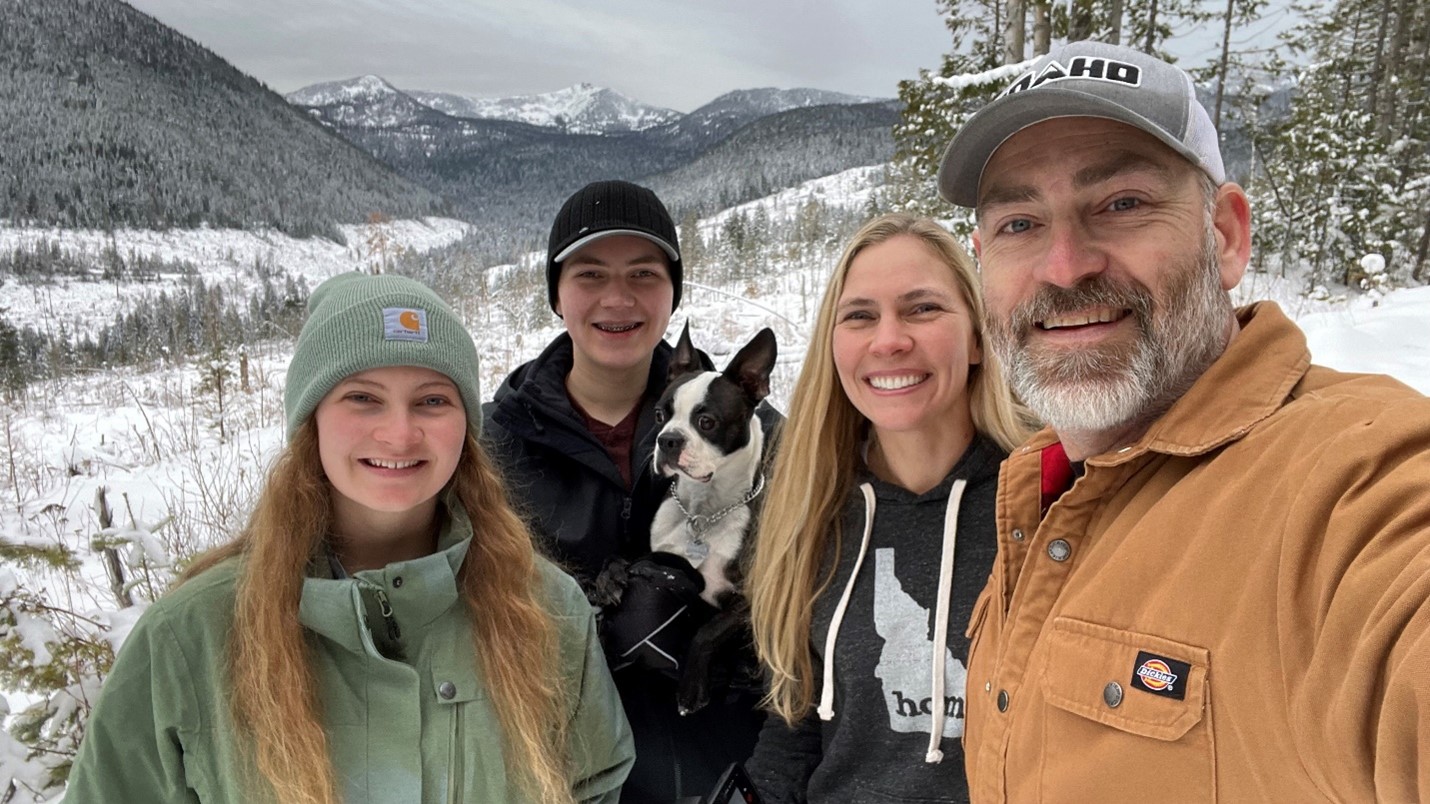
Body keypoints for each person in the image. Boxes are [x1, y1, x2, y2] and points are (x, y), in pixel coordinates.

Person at [935, 39, 1430, 801]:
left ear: (1226, 235)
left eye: (1122, 204)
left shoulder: (1350, 480)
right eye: (1019, 224)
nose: (1065, 266)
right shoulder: (1040, 489)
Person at [66, 273, 633, 803]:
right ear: (311, 419)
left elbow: (594, 787)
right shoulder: (189, 637)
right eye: (362, 397)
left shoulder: (543, 609)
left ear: (467, 423)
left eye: (433, 400)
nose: (399, 432)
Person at [482, 179, 771, 802]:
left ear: (672, 294)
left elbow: (816, 588)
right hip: (562, 767)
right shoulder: (491, 444)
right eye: (589, 275)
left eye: (643, 274)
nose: (618, 298)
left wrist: (744, 648)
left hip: (727, 766)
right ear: (557, 295)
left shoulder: (755, 438)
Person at [744, 213, 1036, 803]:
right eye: (859, 316)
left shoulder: (1052, 493)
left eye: (923, 308)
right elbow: (798, 717)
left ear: (979, 337)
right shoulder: (808, 502)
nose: (889, 340)